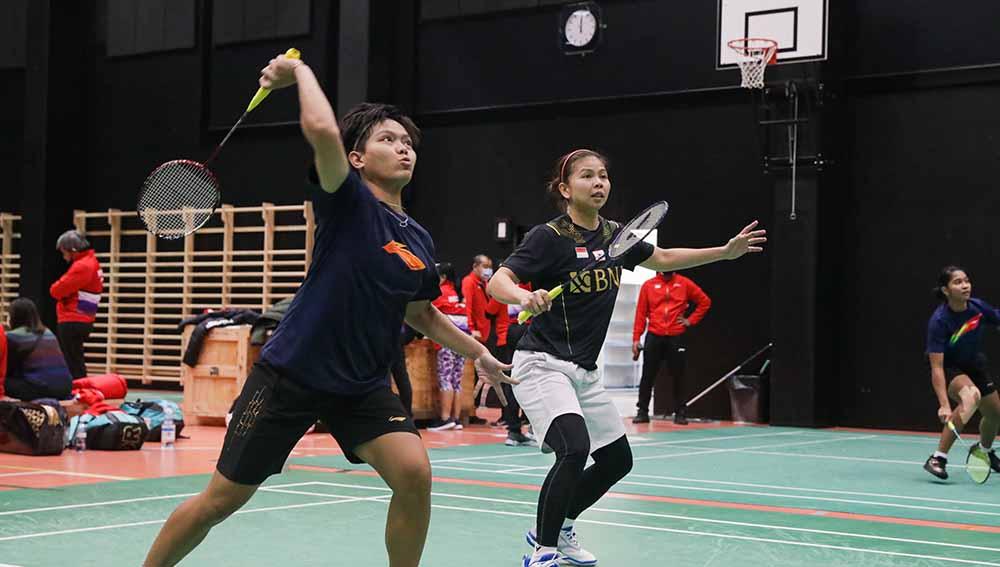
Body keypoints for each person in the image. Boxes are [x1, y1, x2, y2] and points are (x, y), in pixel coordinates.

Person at [143, 53, 516, 567]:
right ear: (357, 157)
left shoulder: (418, 237)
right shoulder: (347, 202)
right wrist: (296, 73)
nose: (403, 148)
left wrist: (482, 355)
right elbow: (320, 128)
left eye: (408, 142)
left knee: (414, 473)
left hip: (359, 385)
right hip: (292, 374)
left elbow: (420, 314)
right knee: (221, 501)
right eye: (388, 139)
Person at [487, 148, 766, 567]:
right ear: (565, 189)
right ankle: (541, 553)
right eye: (587, 176)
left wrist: (724, 252)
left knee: (617, 460)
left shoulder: (617, 236)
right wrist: (525, 295)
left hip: (583, 370)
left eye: (603, 176)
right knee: (574, 449)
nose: (599, 183)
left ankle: (560, 527)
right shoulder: (549, 236)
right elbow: (499, 282)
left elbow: (665, 258)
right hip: (542, 363)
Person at [923, 266, 1000, 479]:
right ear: (946, 290)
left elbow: (997, 319)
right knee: (970, 396)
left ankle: (984, 452)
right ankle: (938, 458)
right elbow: (937, 366)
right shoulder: (939, 321)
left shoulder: (977, 308)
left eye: (966, 280)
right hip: (950, 367)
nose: (965, 285)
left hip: (974, 363)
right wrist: (944, 404)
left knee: (995, 414)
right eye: (957, 282)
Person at [631, 270, 711, 423]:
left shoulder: (684, 283)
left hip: (676, 336)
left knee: (678, 376)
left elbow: (705, 301)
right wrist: (636, 338)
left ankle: (680, 413)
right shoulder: (649, 285)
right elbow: (641, 313)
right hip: (654, 335)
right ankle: (642, 412)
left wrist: (690, 320)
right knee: (648, 376)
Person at [49, 229, 104, 379]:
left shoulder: (82, 266)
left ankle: (78, 392)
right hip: (83, 317)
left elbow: (56, 291)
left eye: (64, 251)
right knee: (75, 360)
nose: (63, 255)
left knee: (72, 362)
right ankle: (80, 390)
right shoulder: (92, 262)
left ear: (72, 250)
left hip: (73, 319)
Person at [4, 298, 73, 401]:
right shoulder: (48, 332)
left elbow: (5, 368)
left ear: (14, 316)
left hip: (42, 389)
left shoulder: (13, 337)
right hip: (65, 389)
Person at [429, 262, 468, 430]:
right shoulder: (456, 292)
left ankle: (445, 419)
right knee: (456, 381)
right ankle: (456, 419)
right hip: (462, 340)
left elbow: (427, 314)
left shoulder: (440, 292)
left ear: (443, 277)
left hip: (447, 342)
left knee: (446, 379)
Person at [462, 254, 493, 423]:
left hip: (485, 332)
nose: (488, 269)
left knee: (479, 374)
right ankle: (470, 411)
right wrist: (471, 328)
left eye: (490, 266)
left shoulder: (485, 283)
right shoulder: (469, 282)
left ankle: (473, 411)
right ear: (475, 266)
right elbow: (468, 306)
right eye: (485, 266)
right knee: (472, 374)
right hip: (475, 334)